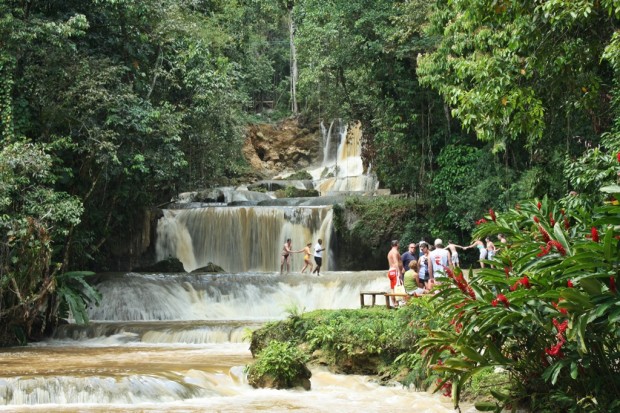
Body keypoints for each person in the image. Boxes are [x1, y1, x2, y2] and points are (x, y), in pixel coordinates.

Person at [386, 240, 405, 307]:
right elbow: (396, 262)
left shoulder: (389, 252)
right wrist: (399, 272)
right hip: (395, 271)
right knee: (397, 287)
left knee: (392, 288)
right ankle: (396, 303)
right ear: (397, 244)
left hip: (391, 271)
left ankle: (394, 303)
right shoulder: (394, 252)